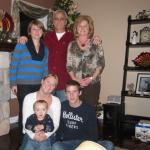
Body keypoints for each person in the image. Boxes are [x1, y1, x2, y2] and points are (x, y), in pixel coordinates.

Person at [18, 10, 102, 102]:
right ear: (53, 21)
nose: (59, 21)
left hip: (65, 82)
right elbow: (35, 42)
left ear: (66, 21)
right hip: (48, 82)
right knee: (47, 109)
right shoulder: (47, 36)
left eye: (62, 19)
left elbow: (85, 40)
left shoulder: (72, 37)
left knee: (63, 110)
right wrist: (25, 37)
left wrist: (96, 38)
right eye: (56, 19)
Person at [9, 19, 48, 140]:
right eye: (34, 29)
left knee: (37, 111)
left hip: (38, 85)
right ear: (29, 32)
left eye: (39, 29)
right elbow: (14, 64)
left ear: (42, 31)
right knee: (24, 111)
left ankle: (35, 135)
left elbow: (45, 67)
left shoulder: (45, 49)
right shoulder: (22, 44)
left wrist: (44, 82)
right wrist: (13, 83)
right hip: (23, 85)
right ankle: (24, 137)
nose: (37, 31)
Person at [52, 80, 114, 150]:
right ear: (65, 94)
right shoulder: (62, 106)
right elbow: (59, 129)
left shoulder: (89, 109)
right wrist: (57, 142)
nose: (71, 95)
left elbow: (93, 134)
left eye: (74, 91)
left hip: (85, 143)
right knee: (56, 146)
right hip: (69, 143)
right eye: (68, 92)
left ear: (80, 92)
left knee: (109, 145)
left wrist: (88, 147)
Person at [66, 15, 105, 106]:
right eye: (80, 25)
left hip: (93, 84)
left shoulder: (96, 43)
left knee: (89, 111)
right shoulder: (72, 45)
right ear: (76, 28)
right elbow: (69, 65)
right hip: (76, 84)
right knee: (76, 111)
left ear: (89, 28)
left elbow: (101, 64)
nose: (82, 28)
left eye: (85, 26)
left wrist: (91, 78)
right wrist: (76, 80)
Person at [20, 74, 61, 150]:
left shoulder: (56, 101)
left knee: (43, 146)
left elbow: (56, 123)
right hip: (30, 132)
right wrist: (33, 135)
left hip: (48, 133)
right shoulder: (29, 97)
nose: (49, 86)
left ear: (55, 87)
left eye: (53, 84)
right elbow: (25, 121)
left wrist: (45, 135)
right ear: (42, 81)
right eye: (48, 82)